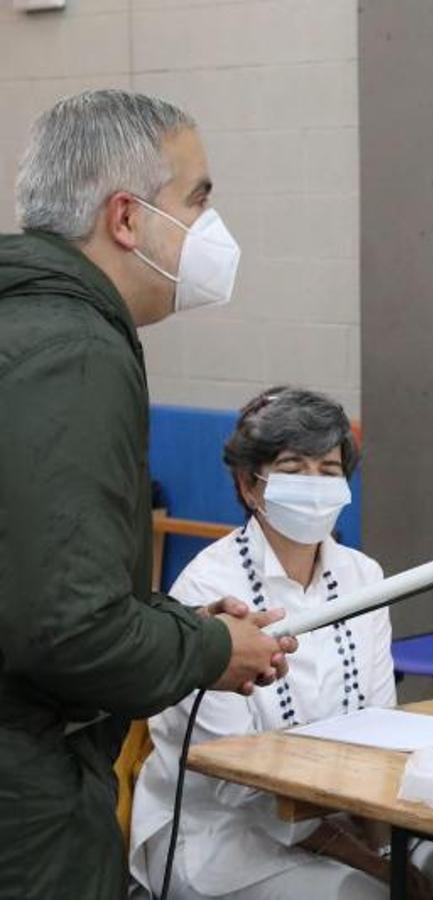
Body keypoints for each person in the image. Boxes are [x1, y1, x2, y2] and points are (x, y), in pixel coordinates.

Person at [0, 90, 296, 900]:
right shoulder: (73, 351)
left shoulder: (20, 326)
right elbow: (66, 631)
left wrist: (173, 624)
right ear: (126, 218)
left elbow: (29, 582)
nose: (213, 226)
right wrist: (209, 652)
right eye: (198, 199)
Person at [130, 387, 433, 900]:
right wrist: (379, 869)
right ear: (250, 486)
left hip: (343, 816)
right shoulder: (210, 590)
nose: (314, 484)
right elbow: (233, 778)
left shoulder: (364, 577)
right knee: (362, 895)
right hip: (221, 835)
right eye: (294, 468)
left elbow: (380, 728)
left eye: (329, 468)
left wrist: (387, 848)